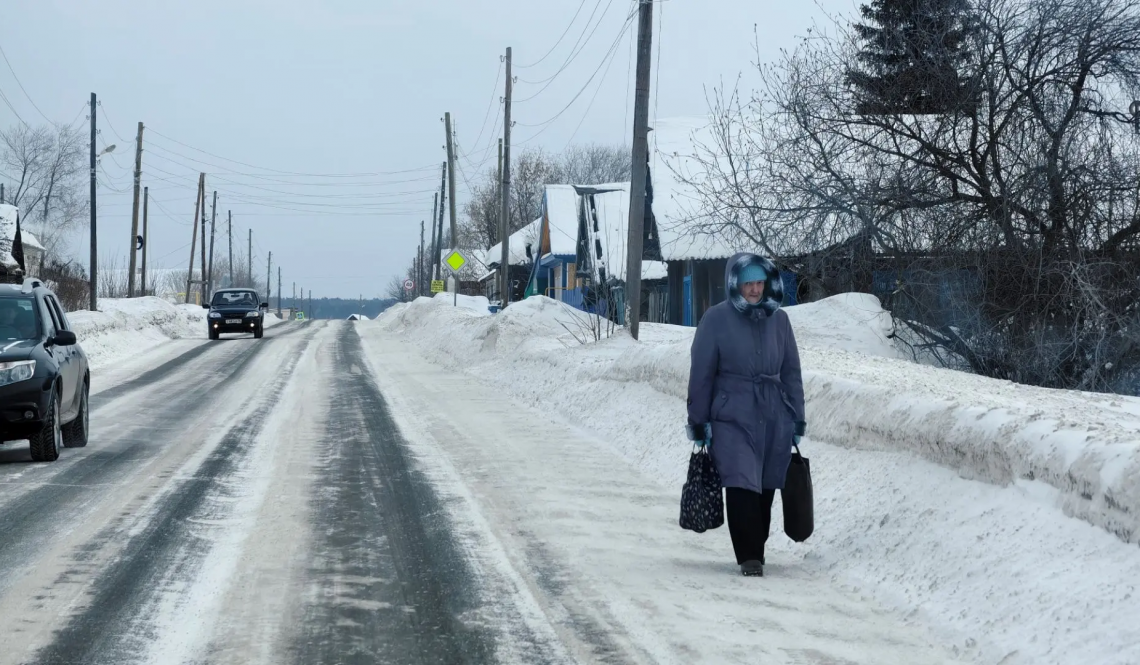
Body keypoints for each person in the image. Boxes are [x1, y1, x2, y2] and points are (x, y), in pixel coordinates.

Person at [686, 253, 806, 577]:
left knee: (766, 486)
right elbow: (701, 374)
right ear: (734, 284)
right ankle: (748, 555)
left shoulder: (779, 320)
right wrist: (699, 421)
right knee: (741, 483)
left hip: (773, 414)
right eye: (748, 283)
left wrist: (797, 418)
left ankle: (757, 547)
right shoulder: (716, 319)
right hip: (731, 415)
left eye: (759, 282)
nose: (754, 290)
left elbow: (791, 371)